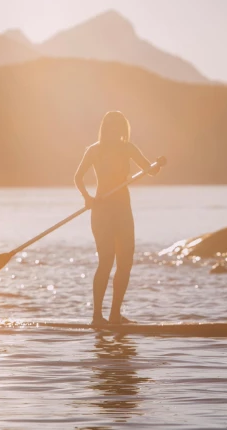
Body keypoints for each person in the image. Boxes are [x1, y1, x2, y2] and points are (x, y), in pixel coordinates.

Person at [74, 111, 160, 326]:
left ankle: (114, 315)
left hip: (123, 210)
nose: (116, 130)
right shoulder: (94, 150)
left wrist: (155, 167)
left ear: (123, 129)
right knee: (106, 261)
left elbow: (149, 170)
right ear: (105, 128)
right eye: (111, 126)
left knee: (125, 262)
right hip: (102, 211)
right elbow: (78, 177)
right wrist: (87, 198)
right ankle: (96, 317)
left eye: (119, 126)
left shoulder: (128, 148)